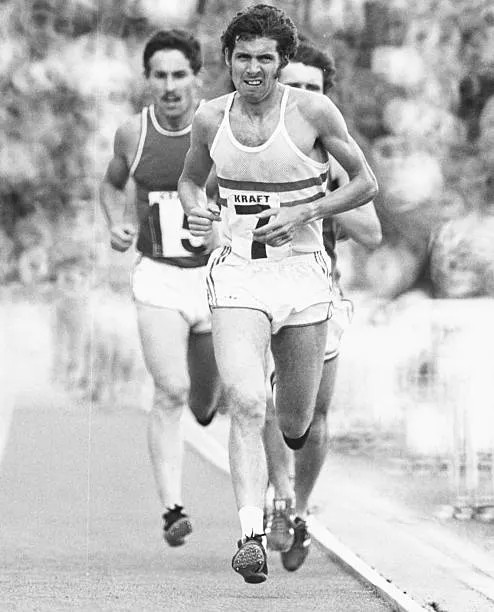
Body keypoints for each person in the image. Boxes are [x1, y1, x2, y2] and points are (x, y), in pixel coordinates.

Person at [178, 4, 378, 584]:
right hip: (238, 274)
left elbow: (367, 183)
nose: (253, 69)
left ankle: (293, 494)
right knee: (245, 401)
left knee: (296, 421)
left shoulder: (313, 112)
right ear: (228, 59)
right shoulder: (210, 118)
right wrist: (197, 210)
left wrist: (306, 211)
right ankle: (249, 535)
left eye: (265, 58)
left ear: (281, 62)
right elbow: (191, 180)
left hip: (305, 277)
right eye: (243, 57)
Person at [263, 38, 382, 572]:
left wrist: (316, 204)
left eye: (313, 87)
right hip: (259, 288)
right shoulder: (250, 140)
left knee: (314, 413)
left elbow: (371, 232)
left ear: (325, 95)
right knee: (265, 399)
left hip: (319, 293)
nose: (303, 94)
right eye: (295, 85)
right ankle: (280, 498)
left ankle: (302, 510)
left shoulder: (335, 155)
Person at [99, 29, 221, 548]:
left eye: (179, 75)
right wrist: (117, 224)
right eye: (160, 76)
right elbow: (111, 184)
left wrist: (221, 227)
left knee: (205, 403)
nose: (170, 86)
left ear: (197, 78)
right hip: (159, 276)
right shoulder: (133, 133)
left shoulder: (220, 127)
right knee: (171, 389)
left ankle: (208, 405)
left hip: (214, 277)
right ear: (147, 79)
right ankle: (173, 509)